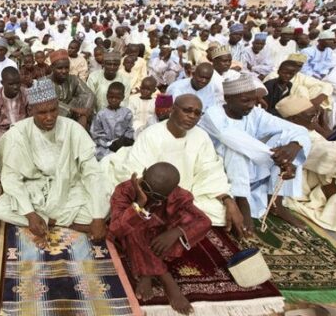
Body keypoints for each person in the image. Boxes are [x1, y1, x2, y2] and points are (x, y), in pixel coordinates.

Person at [102, 94, 246, 236]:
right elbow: (138, 173)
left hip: (188, 194)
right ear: (172, 109)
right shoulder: (152, 134)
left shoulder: (201, 136)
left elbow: (210, 171)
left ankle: (176, 216)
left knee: (218, 211)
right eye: (187, 110)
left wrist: (228, 200)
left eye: (197, 113)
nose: (192, 116)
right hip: (156, 194)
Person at [0, 78, 109, 248]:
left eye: (53, 110)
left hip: (69, 187)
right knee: (0, 209)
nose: (49, 117)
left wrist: (98, 217)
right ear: (30, 110)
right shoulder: (18, 134)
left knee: (104, 208)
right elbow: (11, 178)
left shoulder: (72, 128)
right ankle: (64, 223)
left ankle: (50, 221)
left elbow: (92, 172)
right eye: (42, 113)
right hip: (34, 189)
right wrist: (31, 214)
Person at [199, 74, 311, 232]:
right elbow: (231, 137)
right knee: (236, 149)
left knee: (289, 143)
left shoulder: (255, 113)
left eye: (254, 100)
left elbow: (298, 130)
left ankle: (276, 203)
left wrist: (293, 146)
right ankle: (242, 201)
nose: (252, 105)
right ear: (228, 98)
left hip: (251, 163)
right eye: (245, 100)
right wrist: (278, 158)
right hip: (217, 166)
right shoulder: (213, 114)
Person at [109, 162, 211, 315]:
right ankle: (165, 278)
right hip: (132, 236)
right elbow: (116, 229)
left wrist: (176, 232)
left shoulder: (178, 195)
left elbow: (205, 222)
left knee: (187, 225)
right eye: (145, 187)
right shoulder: (125, 190)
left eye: (155, 196)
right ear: (143, 173)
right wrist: (139, 204)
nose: (148, 195)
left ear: (169, 193)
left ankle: (146, 272)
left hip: (160, 238)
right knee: (134, 226)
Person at [276, 96, 336, 232]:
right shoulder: (290, 135)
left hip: (320, 176)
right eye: (311, 115)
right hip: (299, 180)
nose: (316, 117)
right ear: (294, 119)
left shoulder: (309, 130)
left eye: (316, 112)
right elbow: (327, 156)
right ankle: (335, 205)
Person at [263, 54, 333, 117]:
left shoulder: (296, 78)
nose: (296, 68)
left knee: (316, 88)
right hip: (273, 112)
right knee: (301, 89)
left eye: (299, 66)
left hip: (289, 108)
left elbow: (327, 85)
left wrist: (316, 101)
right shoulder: (272, 78)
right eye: (294, 64)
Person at [48, 49, 95, 128]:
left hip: (73, 118)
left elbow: (89, 94)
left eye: (66, 68)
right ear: (52, 68)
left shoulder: (73, 79)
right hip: (51, 120)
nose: (64, 71)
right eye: (60, 68)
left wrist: (84, 115)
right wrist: (74, 109)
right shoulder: (43, 82)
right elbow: (49, 103)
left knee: (80, 99)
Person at [0, 67, 28, 147]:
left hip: (24, 130)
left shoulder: (25, 94)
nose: (15, 87)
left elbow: (32, 117)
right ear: (2, 83)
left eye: (18, 83)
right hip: (2, 134)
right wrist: (6, 137)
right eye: (11, 84)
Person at [90, 82, 134, 161]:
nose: (114, 100)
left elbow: (129, 131)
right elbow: (96, 134)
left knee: (129, 156)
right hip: (105, 146)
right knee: (102, 156)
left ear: (122, 97)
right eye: (111, 97)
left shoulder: (127, 113)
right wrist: (108, 144)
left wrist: (122, 142)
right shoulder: (101, 114)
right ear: (107, 96)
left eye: (117, 98)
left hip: (122, 145)